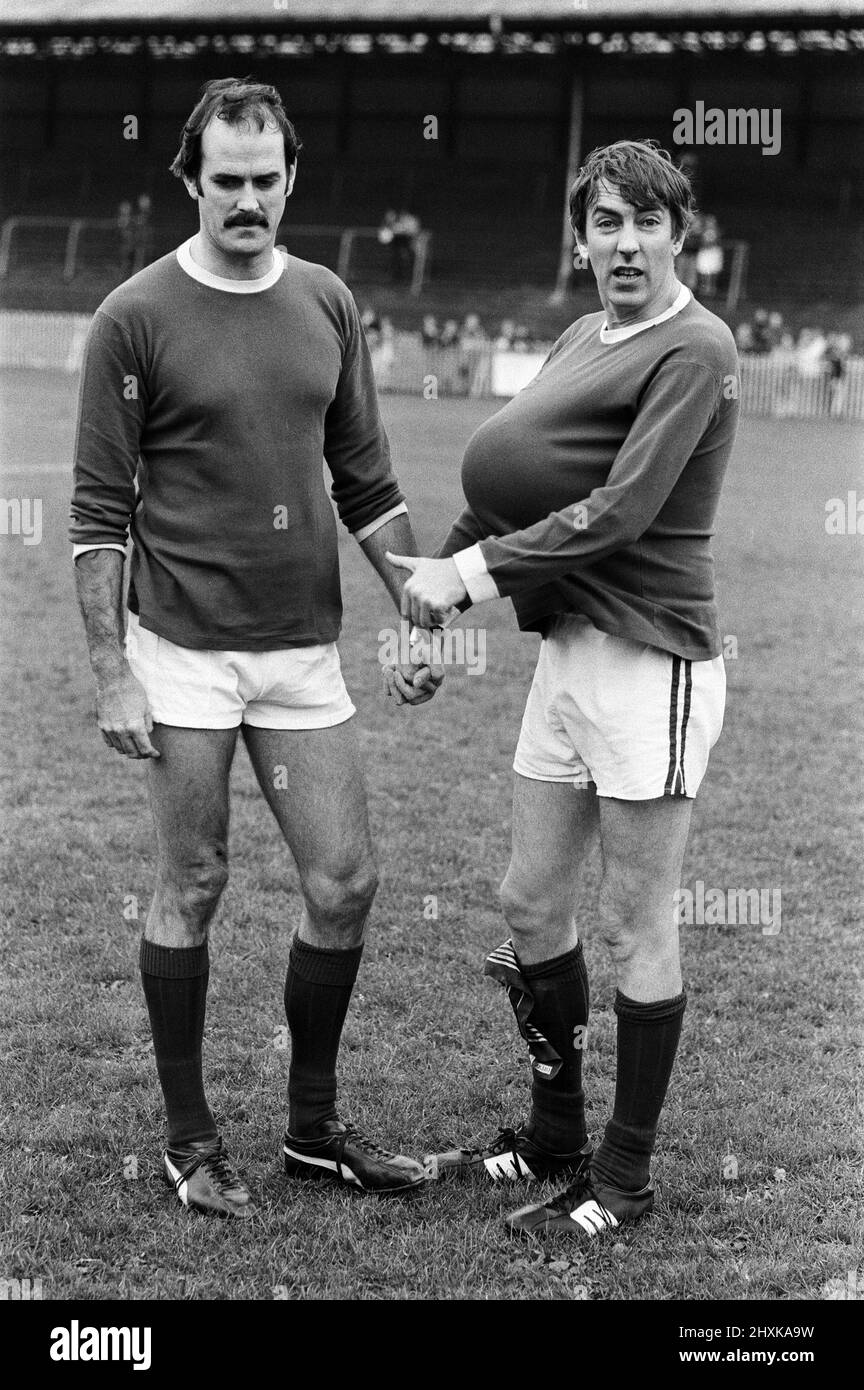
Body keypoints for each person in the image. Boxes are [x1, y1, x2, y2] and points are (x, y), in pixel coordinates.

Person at [70, 78, 442, 1220]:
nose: (245, 200)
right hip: (182, 650)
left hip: (301, 652)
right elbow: (96, 511)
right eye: (223, 181)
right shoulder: (132, 317)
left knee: (346, 879)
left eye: (263, 180)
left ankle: (315, 1132)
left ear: (292, 180)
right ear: (190, 181)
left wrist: (414, 600)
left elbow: (367, 480)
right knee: (194, 877)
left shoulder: (327, 302)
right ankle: (190, 1142)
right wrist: (113, 669)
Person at [385, 139, 740, 1242]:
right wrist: (430, 605)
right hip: (567, 655)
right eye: (604, 223)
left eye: (645, 221)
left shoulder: (698, 346)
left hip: (651, 661)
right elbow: (515, 485)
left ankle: (622, 1181)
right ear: (579, 239)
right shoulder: (587, 332)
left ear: (680, 233)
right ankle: (553, 1135)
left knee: (637, 926)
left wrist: (466, 578)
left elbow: (621, 511)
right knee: (531, 901)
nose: (624, 243)